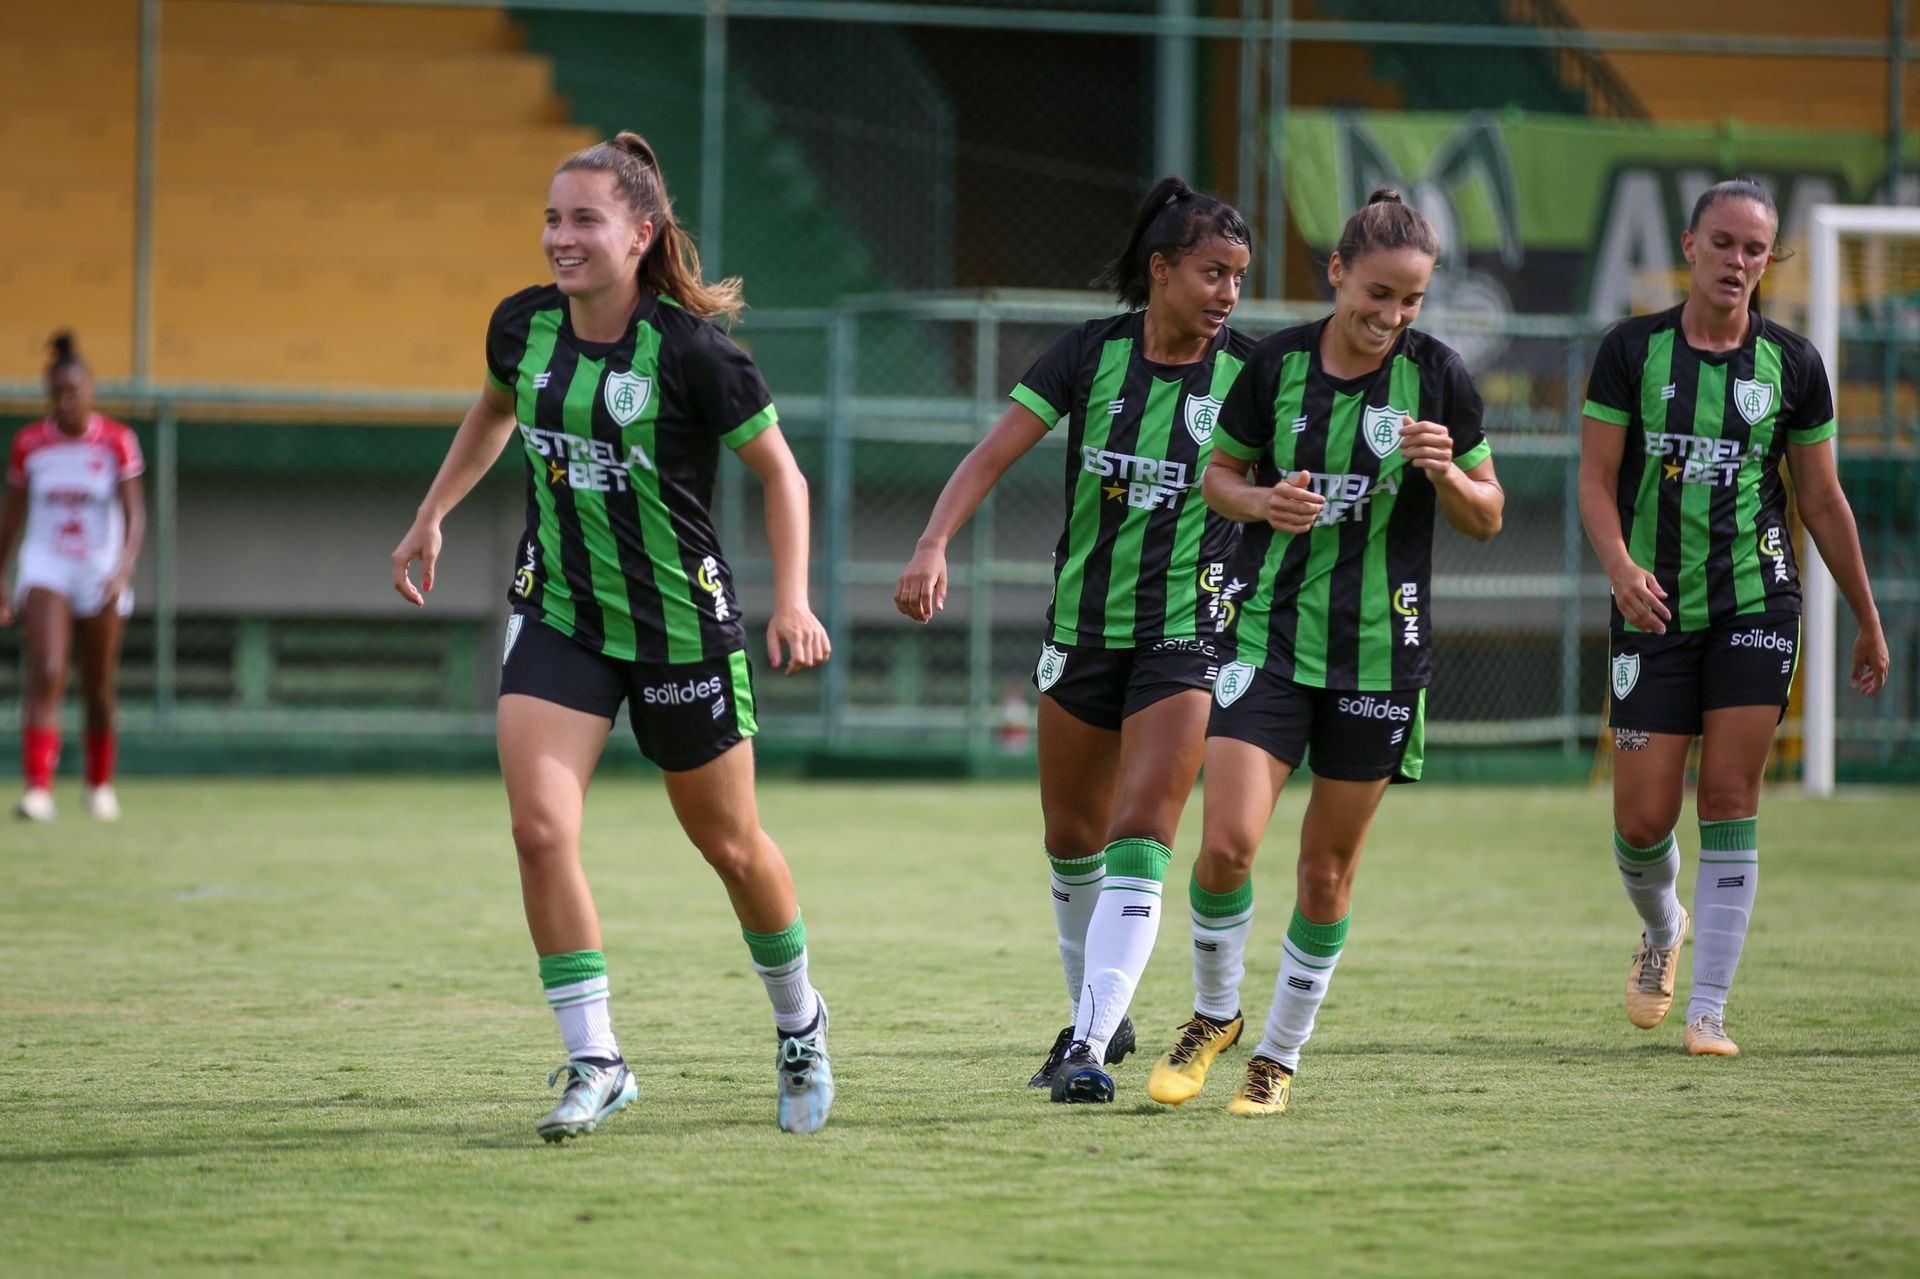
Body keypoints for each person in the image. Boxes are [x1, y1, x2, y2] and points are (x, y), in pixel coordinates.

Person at [390, 132, 836, 1139]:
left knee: (729, 844)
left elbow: (783, 476)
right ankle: (597, 1059)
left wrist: (795, 599)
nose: (561, 237)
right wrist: (432, 513)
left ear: (642, 234)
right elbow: (495, 411)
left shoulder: (694, 353)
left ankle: (799, 1021)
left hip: (682, 630)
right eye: (552, 219)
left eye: (583, 220)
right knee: (539, 830)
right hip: (561, 614)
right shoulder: (522, 327)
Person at [896, 176, 1256, 1104]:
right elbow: (990, 455)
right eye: (1212, 273)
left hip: (1188, 630)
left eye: (1239, 279)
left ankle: (1088, 1042)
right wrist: (934, 541)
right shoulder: (1088, 356)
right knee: (1071, 839)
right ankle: (1100, 1011)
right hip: (1083, 629)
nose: (1227, 294)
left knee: (1145, 828)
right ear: (1162, 270)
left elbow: (1283, 494)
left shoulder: (1249, 379)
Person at [1145, 189, 1504, 1116]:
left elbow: (1488, 516)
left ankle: (1279, 1055)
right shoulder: (1273, 365)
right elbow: (1217, 477)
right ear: (1337, 272)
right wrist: (1264, 503)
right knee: (1225, 845)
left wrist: (1448, 471)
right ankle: (1214, 1013)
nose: (1391, 317)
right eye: (1377, 293)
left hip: (1383, 656)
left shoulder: (1440, 378)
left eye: (1411, 302)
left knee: (1325, 872)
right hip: (1265, 635)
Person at [1578, 177, 1887, 1058]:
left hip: (1758, 601)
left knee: (1727, 796)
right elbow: (1596, 481)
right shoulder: (1631, 352)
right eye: (1724, 243)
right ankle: (1663, 924)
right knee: (1641, 820)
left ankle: (1709, 1008)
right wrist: (1621, 567)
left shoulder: (1794, 363)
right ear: (1689, 246)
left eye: (1755, 249)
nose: (1739, 262)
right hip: (1652, 601)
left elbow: (1823, 502)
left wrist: (1867, 617)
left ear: (1769, 259)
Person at [0, 333, 145, 823]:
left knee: (99, 686)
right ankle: (38, 789)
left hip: (100, 570)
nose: (66, 400)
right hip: (47, 566)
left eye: (74, 390)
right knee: (47, 671)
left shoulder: (116, 441)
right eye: (57, 392)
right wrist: (1, 575)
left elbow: (135, 513)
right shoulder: (29, 445)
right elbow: (12, 518)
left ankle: (98, 784)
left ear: (90, 390)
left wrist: (122, 569)